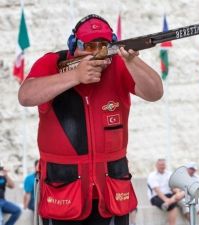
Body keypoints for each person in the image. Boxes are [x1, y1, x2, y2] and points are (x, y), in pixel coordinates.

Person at [18, 14, 163, 225]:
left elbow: (155, 92)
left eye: (103, 46)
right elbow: (26, 95)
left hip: (111, 189)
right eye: (89, 46)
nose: (96, 53)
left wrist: (133, 61)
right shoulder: (53, 63)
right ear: (74, 46)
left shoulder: (119, 65)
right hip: (63, 191)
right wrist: (75, 76)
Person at [147, 159, 184, 225]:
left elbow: (174, 186)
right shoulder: (152, 175)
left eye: (163, 165)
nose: (162, 166)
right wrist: (166, 200)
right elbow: (157, 190)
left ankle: (168, 203)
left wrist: (177, 192)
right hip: (156, 197)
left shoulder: (169, 174)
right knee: (173, 205)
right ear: (156, 166)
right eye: (160, 165)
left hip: (169, 195)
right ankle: (169, 203)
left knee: (182, 193)